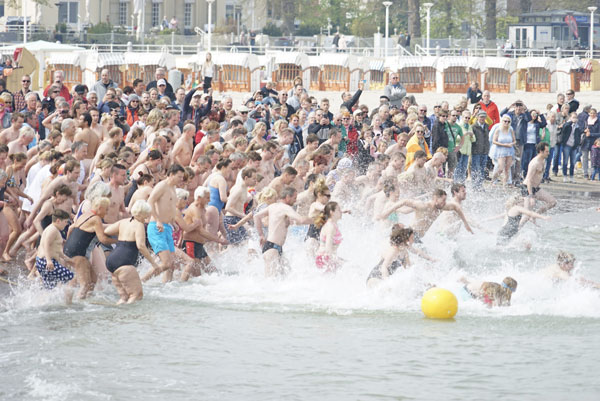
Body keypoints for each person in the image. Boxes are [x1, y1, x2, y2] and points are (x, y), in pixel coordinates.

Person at [142, 164, 201, 283]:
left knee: (171, 265)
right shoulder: (162, 185)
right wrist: (158, 220)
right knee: (166, 263)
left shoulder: (173, 188)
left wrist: (172, 222)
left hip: (167, 227)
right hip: (156, 227)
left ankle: (166, 288)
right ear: (171, 175)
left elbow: (171, 207)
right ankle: (141, 281)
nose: (181, 179)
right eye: (179, 177)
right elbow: (150, 201)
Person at [104, 200, 159, 304]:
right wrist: (154, 264)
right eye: (146, 214)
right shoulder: (139, 225)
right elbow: (141, 246)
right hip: (124, 261)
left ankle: (119, 316)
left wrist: (121, 238)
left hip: (112, 260)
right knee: (136, 295)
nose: (147, 217)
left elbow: (107, 231)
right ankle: (131, 319)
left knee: (124, 297)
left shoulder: (123, 222)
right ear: (141, 213)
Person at [63, 197, 116, 299]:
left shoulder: (85, 216)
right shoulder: (96, 219)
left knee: (93, 280)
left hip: (70, 250)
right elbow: (103, 239)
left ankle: (80, 302)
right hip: (78, 254)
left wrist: (67, 243)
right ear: (100, 208)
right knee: (85, 284)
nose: (107, 212)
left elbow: (71, 228)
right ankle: (75, 306)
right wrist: (119, 241)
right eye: (106, 209)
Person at [253, 187, 312, 277]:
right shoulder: (285, 208)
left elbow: (256, 216)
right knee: (271, 282)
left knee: (286, 277)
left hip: (275, 248)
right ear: (288, 197)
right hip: (272, 249)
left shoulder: (273, 206)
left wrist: (261, 235)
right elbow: (301, 220)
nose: (295, 201)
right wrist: (320, 220)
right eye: (294, 198)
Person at [35, 209, 74, 304]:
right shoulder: (53, 230)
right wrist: (49, 260)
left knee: (49, 287)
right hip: (46, 261)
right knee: (71, 277)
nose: (66, 224)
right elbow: (46, 245)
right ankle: (68, 305)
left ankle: (40, 303)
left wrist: (66, 259)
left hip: (43, 261)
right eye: (65, 222)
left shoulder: (53, 229)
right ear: (58, 221)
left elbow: (56, 249)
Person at [522, 142, 556, 215]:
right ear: (541, 151)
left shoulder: (543, 161)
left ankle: (536, 214)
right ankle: (518, 225)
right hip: (527, 189)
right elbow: (529, 180)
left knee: (552, 202)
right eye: (547, 151)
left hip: (536, 188)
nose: (548, 153)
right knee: (527, 213)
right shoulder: (534, 163)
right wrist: (530, 196)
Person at [314, 201, 343, 272]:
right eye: (339, 210)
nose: (341, 212)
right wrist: (339, 262)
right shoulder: (330, 226)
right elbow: (328, 248)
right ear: (331, 212)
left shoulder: (333, 225)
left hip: (327, 258)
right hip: (324, 259)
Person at [490, 115, 516, 186]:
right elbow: (494, 141)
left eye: (508, 122)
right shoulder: (498, 129)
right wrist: (504, 145)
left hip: (509, 150)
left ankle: (505, 183)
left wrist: (511, 144)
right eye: (505, 121)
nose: (506, 123)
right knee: (500, 167)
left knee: (507, 168)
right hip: (500, 150)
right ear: (502, 121)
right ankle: (493, 180)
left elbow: (514, 140)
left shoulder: (510, 130)